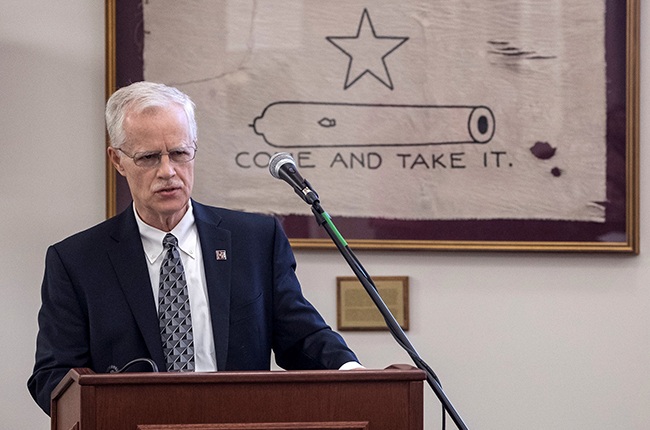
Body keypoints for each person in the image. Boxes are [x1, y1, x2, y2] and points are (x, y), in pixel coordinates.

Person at [27, 81, 360, 415]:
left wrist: (352, 372)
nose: (168, 171)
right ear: (118, 160)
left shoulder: (255, 240)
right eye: (148, 157)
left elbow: (301, 338)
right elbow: (52, 376)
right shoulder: (77, 261)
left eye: (179, 153)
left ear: (194, 150)